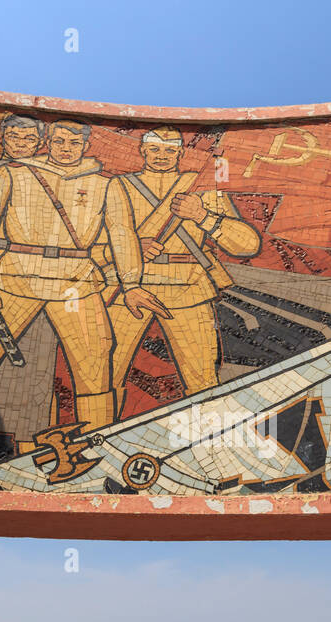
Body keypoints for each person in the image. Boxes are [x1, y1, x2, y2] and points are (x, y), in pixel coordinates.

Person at [0, 119, 170, 487]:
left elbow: (122, 234)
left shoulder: (105, 184)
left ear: (84, 144)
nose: (66, 148)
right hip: (14, 276)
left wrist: (131, 285)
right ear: (48, 142)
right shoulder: (13, 175)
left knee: (96, 369)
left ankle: (100, 461)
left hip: (77, 281)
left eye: (74, 141)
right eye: (59, 140)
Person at [106, 126, 260, 416]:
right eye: (154, 149)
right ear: (142, 150)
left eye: (168, 150)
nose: (161, 156)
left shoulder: (199, 186)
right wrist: (135, 247)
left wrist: (201, 215)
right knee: (106, 375)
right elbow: (106, 237)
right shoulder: (121, 186)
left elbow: (247, 244)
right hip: (131, 288)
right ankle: (98, 437)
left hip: (188, 286)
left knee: (203, 379)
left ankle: (208, 441)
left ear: (179, 152)